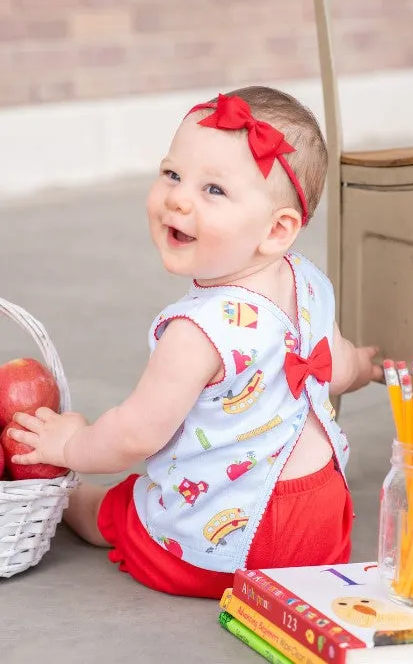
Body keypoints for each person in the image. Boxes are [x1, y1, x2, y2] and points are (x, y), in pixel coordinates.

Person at [9, 86, 382, 597]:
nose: (179, 198)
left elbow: (135, 436)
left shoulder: (198, 330)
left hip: (225, 550)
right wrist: (361, 365)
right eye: (172, 174)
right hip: (317, 538)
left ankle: (76, 506)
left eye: (214, 190)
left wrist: (70, 444)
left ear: (276, 230)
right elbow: (332, 365)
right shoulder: (310, 283)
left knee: (123, 506)